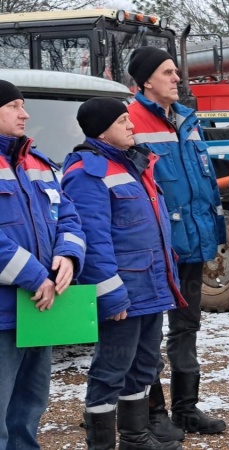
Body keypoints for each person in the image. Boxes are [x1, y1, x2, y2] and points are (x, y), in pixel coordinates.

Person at [62, 97, 182, 450]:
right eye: (122, 121)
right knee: (111, 370)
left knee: (144, 365)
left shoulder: (133, 164)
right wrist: (111, 294)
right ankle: (102, 444)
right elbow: (94, 241)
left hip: (149, 288)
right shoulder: (86, 172)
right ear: (102, 130)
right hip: (123, 294)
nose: (132, 126)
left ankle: (135, 437)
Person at [126, 47, 227, 438]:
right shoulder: (129, 120)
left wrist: (214, 236)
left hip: (193, 244)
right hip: (157, 250)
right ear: (147, 80)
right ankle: (152, 412)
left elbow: (203, 186)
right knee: (148, 334)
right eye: (168, 72)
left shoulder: (187, 119)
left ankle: (186, 408)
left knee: (187, 328)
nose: (177, 78)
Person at [0, 80, 85, 450]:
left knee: (29, 409)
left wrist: (67, 255)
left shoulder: (37, 162)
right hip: (8, 310)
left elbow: (68, 215)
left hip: (38, 309)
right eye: (15, 106)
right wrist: (36, 276)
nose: (25, 113)